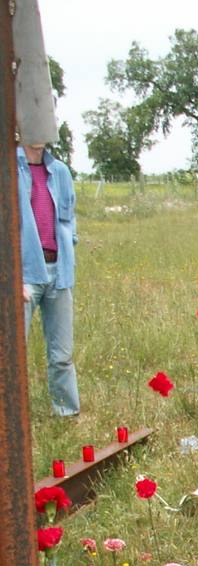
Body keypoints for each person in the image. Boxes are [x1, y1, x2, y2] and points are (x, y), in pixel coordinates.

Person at [18, 142, 80, 417]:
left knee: (62, 354)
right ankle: (10, 418)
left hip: (59, 270)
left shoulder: (60, 171)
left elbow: (69, 219)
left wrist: (69, 245)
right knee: (11, 354)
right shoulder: (9, 169)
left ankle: (66, 413)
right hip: (23, 273)